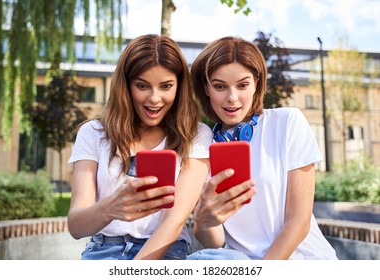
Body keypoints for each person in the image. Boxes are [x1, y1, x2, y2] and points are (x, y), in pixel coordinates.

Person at [188, 36, 338, 260]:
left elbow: (299, 221)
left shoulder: (287, 123)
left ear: (256, 83)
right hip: (240, 261)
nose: (232, 98)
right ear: (206, 89)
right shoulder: (203, 145)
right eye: (220, 86)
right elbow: (216, 241)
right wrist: (203, 221)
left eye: (242, 85)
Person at [67, 34, 212, 260]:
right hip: (103, 251)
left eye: (166, 86)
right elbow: (76, 226)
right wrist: (109, 208)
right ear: (126, 85)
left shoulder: (196, 135)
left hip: (165, 252)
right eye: (142, 85)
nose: (154, 98)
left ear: (179, 86)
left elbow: (174, 222)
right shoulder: (93, 133)